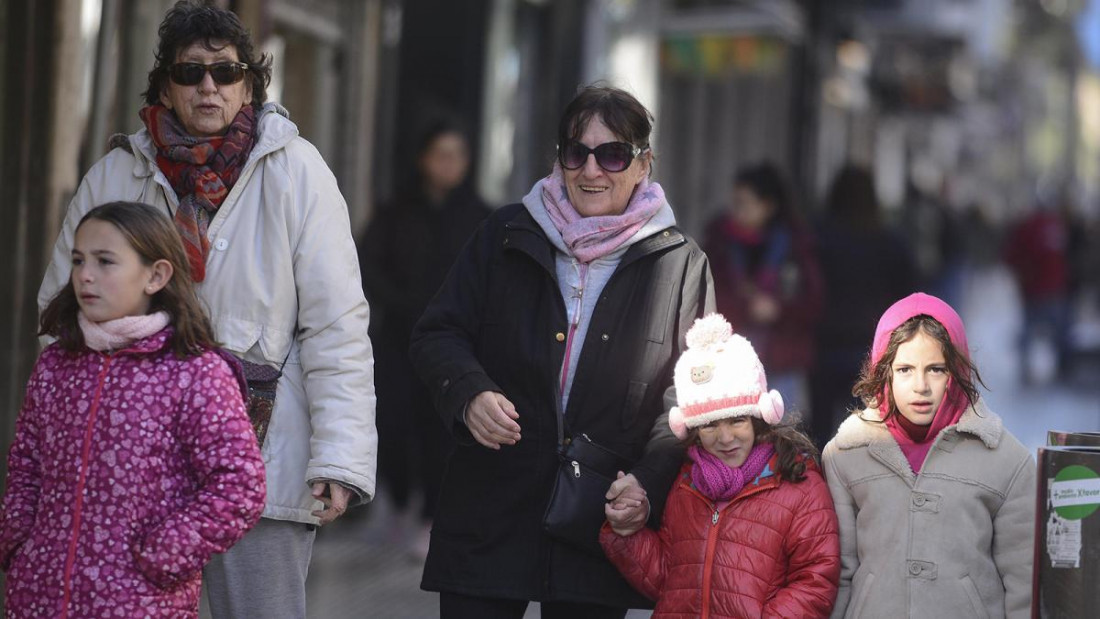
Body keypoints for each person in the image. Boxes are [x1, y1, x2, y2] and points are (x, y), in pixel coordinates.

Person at [35, 3, 376, 617]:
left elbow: (336, 323)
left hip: (263, 460)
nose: (209, 87)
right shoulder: (115, 174)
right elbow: (60, 317)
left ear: (250, 82)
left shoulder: (298, 173)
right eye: (190, 74)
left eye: (226, 72)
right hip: (130, 472)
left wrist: (339, 457)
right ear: (165, 84)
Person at [409, 85, 714, 618]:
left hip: (600, 521)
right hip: (490, 505)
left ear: (644, 165)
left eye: (612, 154)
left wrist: (648, 482)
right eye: (577, 153)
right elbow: (437, 333)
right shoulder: (505, 234)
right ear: (559, 159)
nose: (591, 170)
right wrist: (469, 393)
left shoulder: (682, 264)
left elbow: (688, 397)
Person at [1, 201, 265, 618]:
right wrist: (18, 541)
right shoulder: (56, 364)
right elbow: (27, 465)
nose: (85, 275)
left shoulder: (195, 372)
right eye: (78, 260)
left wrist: (163, 555)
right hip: (38, 598)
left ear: (156, 275)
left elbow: (238, 487)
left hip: (140, 602)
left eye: (105, 261)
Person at [600, 313, 840, 618]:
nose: (725, 438)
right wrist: (627, 533)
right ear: (693, 428)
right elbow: (669, 579)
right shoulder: (687, 482)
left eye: (737, 420)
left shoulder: (798, 484)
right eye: (710, 425)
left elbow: (816, 578)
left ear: (758, 418)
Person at [822, 292, 1035, 618]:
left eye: (936, 369)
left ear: (958, 371)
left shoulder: (1006, 460)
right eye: (905, 369)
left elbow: (1024, 578)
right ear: (884, 372)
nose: (920, 385)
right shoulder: (845, 455)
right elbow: (839, 572)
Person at [357, 119, 489, 554]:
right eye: (441, 154)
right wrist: (403, 303)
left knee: (441, 429)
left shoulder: (481, 217)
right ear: (423, 158)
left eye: (458, 156)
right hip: (397, 337)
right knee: (391, 423)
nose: (449, 164)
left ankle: (432, 515)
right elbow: (368, 265)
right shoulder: (396, 212)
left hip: (455, 345)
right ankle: (396, 502)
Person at [810, 165, 917, 447]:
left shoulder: (818, 237)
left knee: (819, 429)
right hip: (872, 348)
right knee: (865, 432)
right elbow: (907, 297)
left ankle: (820, 486)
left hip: (823, 345)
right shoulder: (890, 242)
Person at [703, 162, 823, 413]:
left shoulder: (795, 245)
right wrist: (748, 305)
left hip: (782, 361)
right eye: (735, 203)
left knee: (784, 440)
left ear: (768, 206)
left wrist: (778, 309)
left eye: (745, 204)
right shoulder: (720, 241)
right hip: (730, 359)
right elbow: (707, 294)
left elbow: (814, 302)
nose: (737, 212)